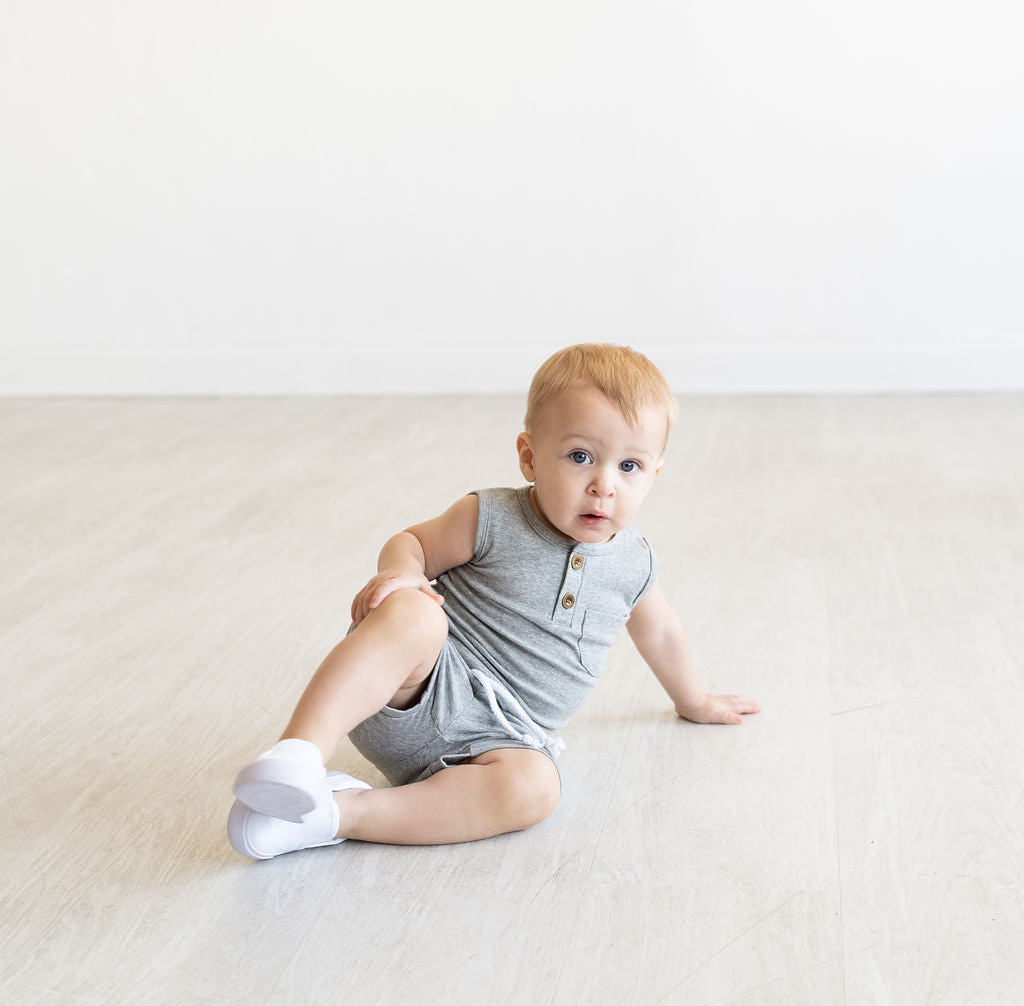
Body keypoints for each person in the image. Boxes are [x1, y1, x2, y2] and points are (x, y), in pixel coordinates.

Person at [228, 342, 761, 860]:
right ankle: (299, 754)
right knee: (416, 613)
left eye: (629, 466)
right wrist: (403, 574)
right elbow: (413, 542)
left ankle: (332, 815)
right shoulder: (493, 517)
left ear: (654, 475)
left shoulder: (634, 563)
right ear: (529, 457)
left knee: (537, 789)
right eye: (580, 457)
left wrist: (694, 701)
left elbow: (660, 632)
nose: (604, 485)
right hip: (416, 687)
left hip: (500, 739)